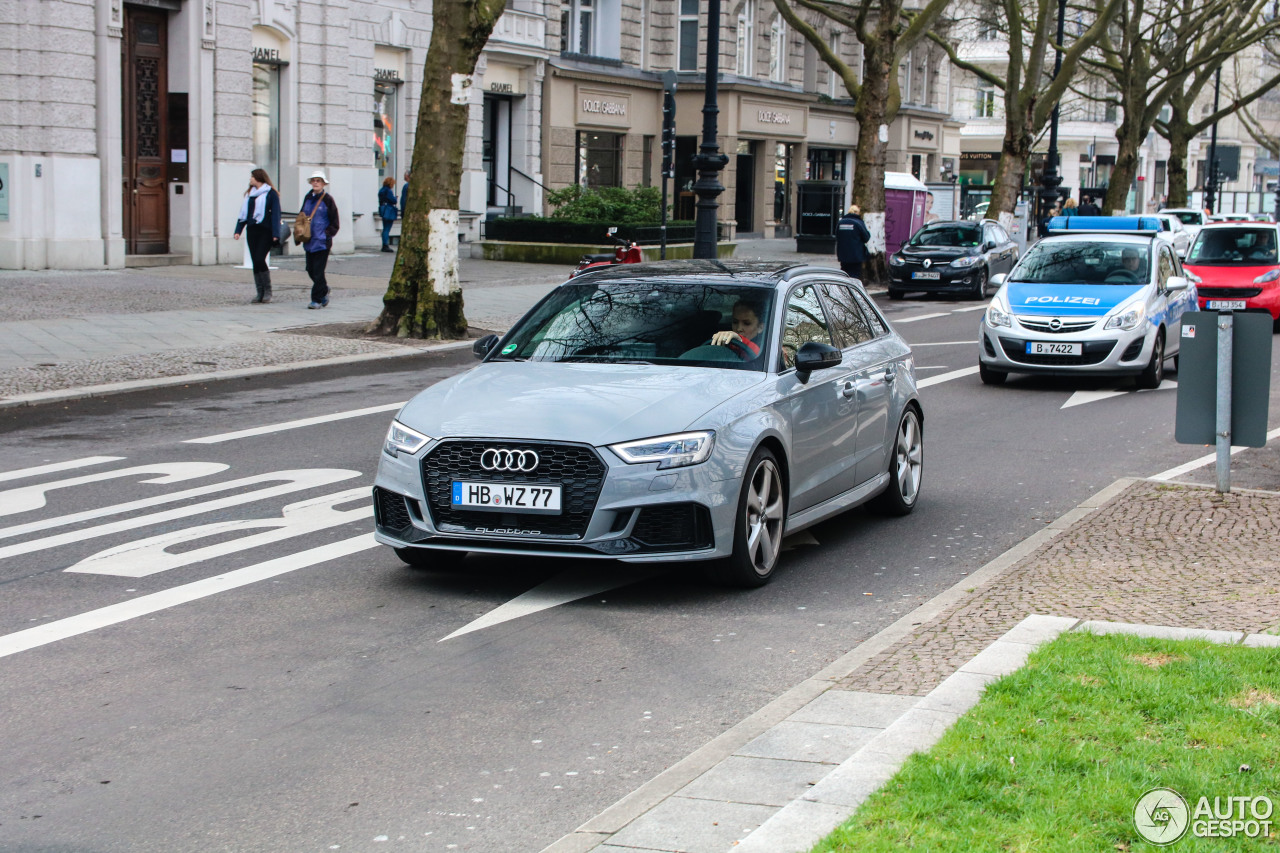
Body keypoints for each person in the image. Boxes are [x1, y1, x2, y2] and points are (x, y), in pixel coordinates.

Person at [233, 168, 282, 304]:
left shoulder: (271, 194)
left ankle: (268, 291)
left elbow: (276, 215)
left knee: (260, 258)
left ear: (258, 178)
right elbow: (244, 215)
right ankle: (259, 292)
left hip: (265, 231)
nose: (250, 179)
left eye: (252, 176)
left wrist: (275, 234)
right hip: (252, 231)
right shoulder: (250, 194)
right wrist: (238, 230)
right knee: (255, 261)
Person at [300, 170, 340, 309]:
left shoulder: (328, 200)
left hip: (322, 242)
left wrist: (327, 234)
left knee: (318, 270)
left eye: (318, 180)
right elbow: (302, 216)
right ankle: (324, 289)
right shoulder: (308, 197)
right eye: (314, 180)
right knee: (310, 269)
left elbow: (335, 221)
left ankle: (316, 299)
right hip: (309, 240)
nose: (316, 183)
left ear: (323, 183)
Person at [835, 204, 871, 280]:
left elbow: (837, 237)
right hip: (856, 256)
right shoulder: (858, 223)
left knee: (844, 274)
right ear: (857, 212)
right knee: (854, 275)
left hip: (843, 255)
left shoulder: (841, 222)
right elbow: (866, 238)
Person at [378, 177, 397, 253]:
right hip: (388, 209)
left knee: (385, 227)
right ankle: (385, 245)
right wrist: (395, 198)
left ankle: (384, 244)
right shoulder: (388, 191)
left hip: (383, 209)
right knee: (387, 228)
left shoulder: (381, 190)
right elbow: (393, 201)